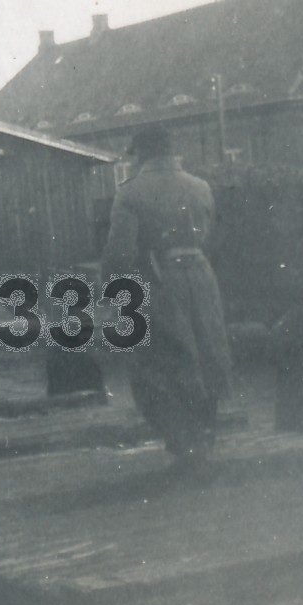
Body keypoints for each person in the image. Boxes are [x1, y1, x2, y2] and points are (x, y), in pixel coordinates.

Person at [101, 126, 232, 473]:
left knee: (164, 360)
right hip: (202, 278)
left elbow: (120, 253)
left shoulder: (131, 193)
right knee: (207, 354)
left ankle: (185, 444)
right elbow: (213, 237)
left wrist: (113, 291)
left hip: (160, 281)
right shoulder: (201, 186)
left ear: (142, 154)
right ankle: (204, 438)